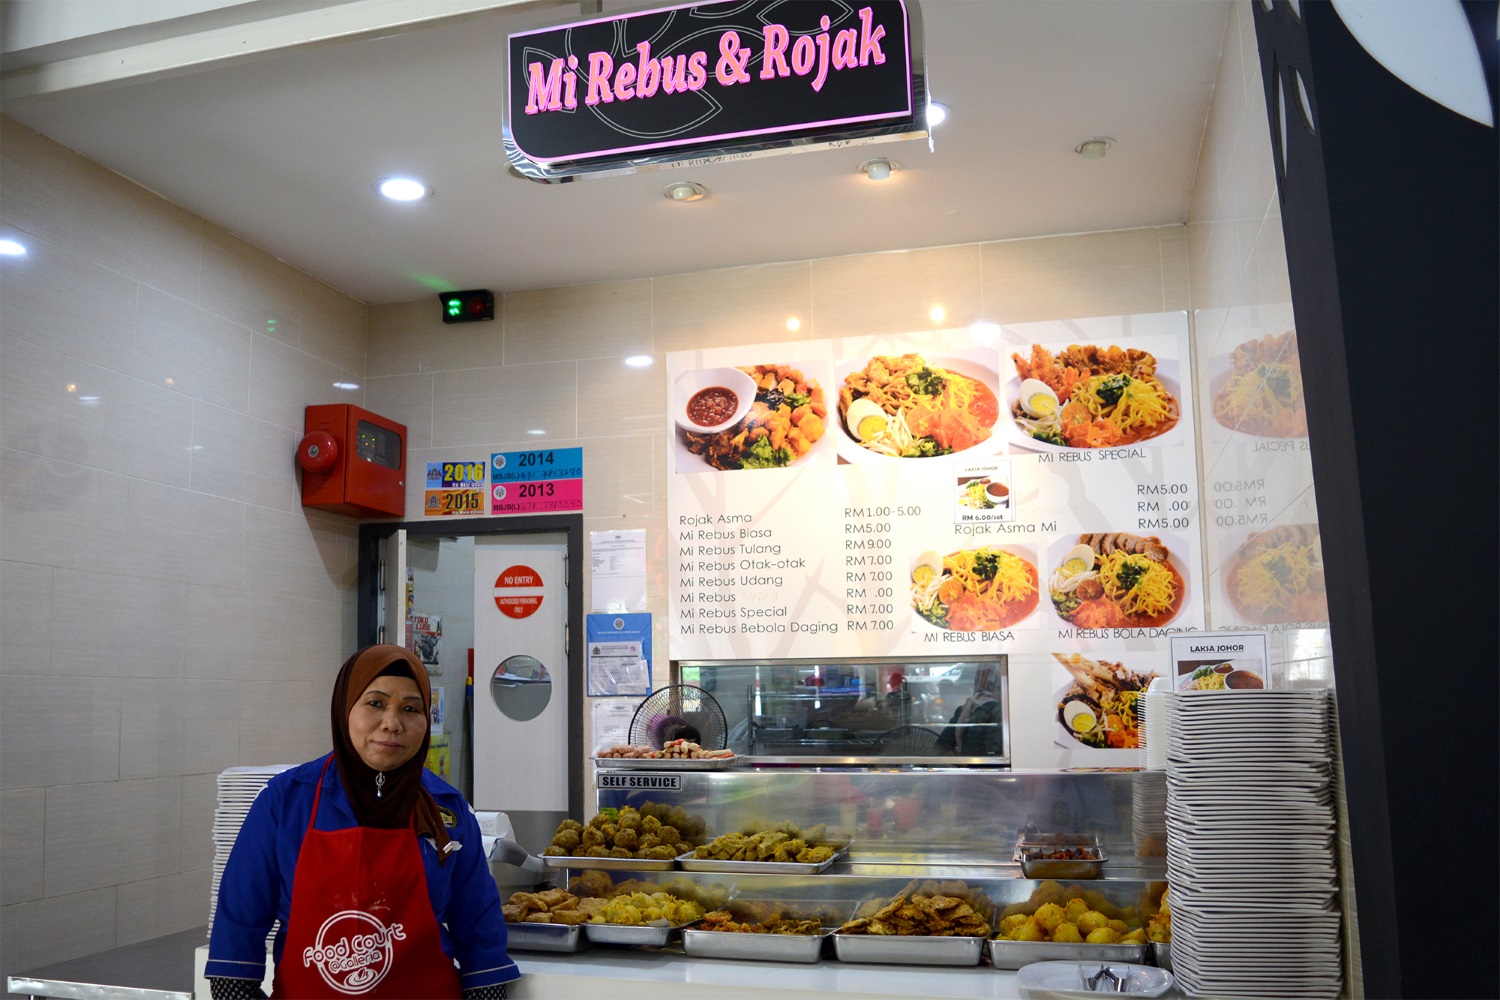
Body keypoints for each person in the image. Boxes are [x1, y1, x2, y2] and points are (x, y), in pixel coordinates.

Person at [205, 645, 519, 999]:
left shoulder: (448, 810)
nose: (392, 723)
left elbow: (481, 931)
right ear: (345, 709)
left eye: (410, 708)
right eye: (375, 703)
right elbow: (237, 932)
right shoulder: (285, 801)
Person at [935, 663, 1004, 756]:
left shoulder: (963, 710)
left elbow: (939, 746)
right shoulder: (1001, 711)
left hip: (968, 767)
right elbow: (995, 753)